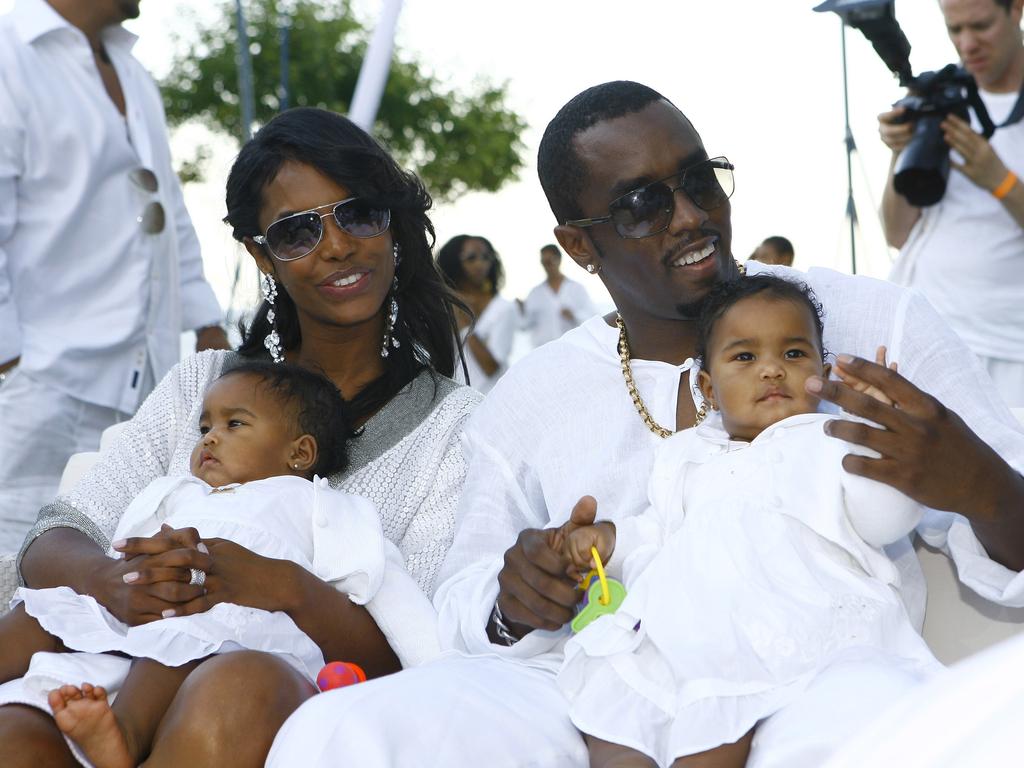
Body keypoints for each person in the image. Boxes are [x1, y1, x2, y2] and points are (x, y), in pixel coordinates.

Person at [264, 81, 1024, 768]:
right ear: (579, 245)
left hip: (816, 673)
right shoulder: (530, 398)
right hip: (589, 684)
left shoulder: (874, 320)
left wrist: (980, 486)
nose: (692, 215)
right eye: (642, 204)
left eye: (698, 180)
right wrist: (514, 598)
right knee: (339, 734)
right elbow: (461, 606)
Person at [0, 106, 479, 768]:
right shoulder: (203, 385)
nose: (337, 246)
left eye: (360, 213)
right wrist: (112, 580)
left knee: (237, 686)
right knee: (16, 730)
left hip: (317, 717)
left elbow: (420, 646)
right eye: (298, 231)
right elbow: (57, 532)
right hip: (115, 669)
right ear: (262, 256)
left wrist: (280, 585)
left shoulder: (455, 427)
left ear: (392, 226)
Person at [555, 275, 940, 768]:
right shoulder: (685, 456)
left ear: (825, 373)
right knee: (618, 708)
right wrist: (610, 539)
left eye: (794, 354)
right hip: (685, 626)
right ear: (709, 389)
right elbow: (659, 529)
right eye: (745, 357)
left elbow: (885, 520)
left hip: (794, 615)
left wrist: (879, 437)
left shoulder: (829, 441)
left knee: (714, 721)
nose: (773, 370)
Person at [0, 361, 439, 768]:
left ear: (300, 453)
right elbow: (123, 544)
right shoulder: (177, 491)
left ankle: (126, 735)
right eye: (205, 426)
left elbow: (389, 597)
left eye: (235, 424)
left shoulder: (321, 505)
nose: (210, 437)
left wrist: (433, 661)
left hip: (227, 620)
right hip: (140, 610)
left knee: (187, 626)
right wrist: (123, 577)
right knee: (43, 610)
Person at [0, 0, 229, 547]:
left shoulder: (133, 72)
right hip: (39, 386)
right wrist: (12, 364)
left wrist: (207, 323)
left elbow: (167, 204)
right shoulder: (9, 55)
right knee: (11, 566)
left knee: (107, 571)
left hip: (143, 384)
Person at [879, 0, 1024, 407]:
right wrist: (900, 153)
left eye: (980, 26)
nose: (967, 44)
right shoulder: (942, 95)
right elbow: (897, 233)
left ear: (1016, 9)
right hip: (924, 336)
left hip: (1009, 350)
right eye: (954, 29)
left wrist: (1000, 180)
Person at [437, 234, 518, 394]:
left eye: (486, 257)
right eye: (471, 258)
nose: (481, 263)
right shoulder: (441, 304)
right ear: (454, 262)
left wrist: (464, 322)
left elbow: (491, 367)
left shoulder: (503, 308)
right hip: (452, 399)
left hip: (492, 396)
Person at [518, 244, 597, 348]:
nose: (547, 265)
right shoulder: (535, 293)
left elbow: (593, 318)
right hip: (544, 353)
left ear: (559, 259)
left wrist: (574, 315)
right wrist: (520, 310)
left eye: (550, 261)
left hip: (573, 350)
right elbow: (524, 326)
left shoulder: (577, 289)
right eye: (544, 262)